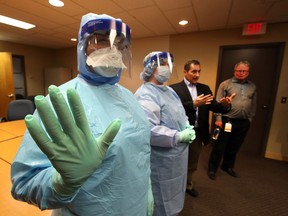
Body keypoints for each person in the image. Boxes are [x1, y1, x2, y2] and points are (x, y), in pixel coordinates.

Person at [11, 13, 153, 216]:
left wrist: (147, 194)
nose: (113, 49)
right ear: (82, 46)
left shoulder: (129, 98)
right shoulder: (62, 100)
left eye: (120, 43)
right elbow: (23, 182)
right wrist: (63, 184)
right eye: (102, 40)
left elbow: (140, 156)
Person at [135, 52, 196, 216]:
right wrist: (178, 136)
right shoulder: (146, 94)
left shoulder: (169, 90)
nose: (167, 68)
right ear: (151, 67)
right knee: (161, 199)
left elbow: (180, 113)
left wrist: (187, 126)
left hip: (177, 157)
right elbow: (148, 129)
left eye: (169, 64)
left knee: (175, 191)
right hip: (161, 160)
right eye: (163, 64)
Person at [170, 59, 234, 197]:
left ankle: (188, 185)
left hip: (198, 132)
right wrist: (193, 104)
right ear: (185, 72)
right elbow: (172, 110)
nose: (197, 74)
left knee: (192, 162)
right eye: (194, 71)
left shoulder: (204, 88)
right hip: (179, 131)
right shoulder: (174, 89)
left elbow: (215, 107)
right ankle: (174, 185)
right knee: (175, 160)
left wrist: (224, 104)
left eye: (199, 71)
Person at [208, 60, 256, 180]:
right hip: (226, 121)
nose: (241, 73)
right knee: (219, 146)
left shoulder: (252, 86)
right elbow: (218, 102)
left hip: (243, 122)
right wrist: (218, 118)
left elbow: (254, 103)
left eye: (244, 71)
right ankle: (212, 168)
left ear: (248, 72)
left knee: (234, 147)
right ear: (234, 71)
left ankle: (227, 166)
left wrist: (250, 118)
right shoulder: (225, 84)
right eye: (239, 71)